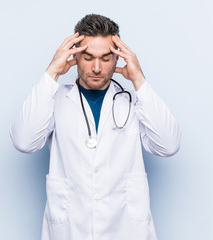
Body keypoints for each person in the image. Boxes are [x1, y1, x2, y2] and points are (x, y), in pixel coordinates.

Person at [10, 14, 181, 240]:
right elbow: (24, 141)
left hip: (126, 229)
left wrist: (139, 80)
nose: (97, 67)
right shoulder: (55, 98)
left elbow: (168, 145)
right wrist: (51, 73)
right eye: (88, 57)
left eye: (106, 58)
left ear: (118, 59)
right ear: (75, 56)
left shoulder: (134, 99)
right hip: (70, 229)